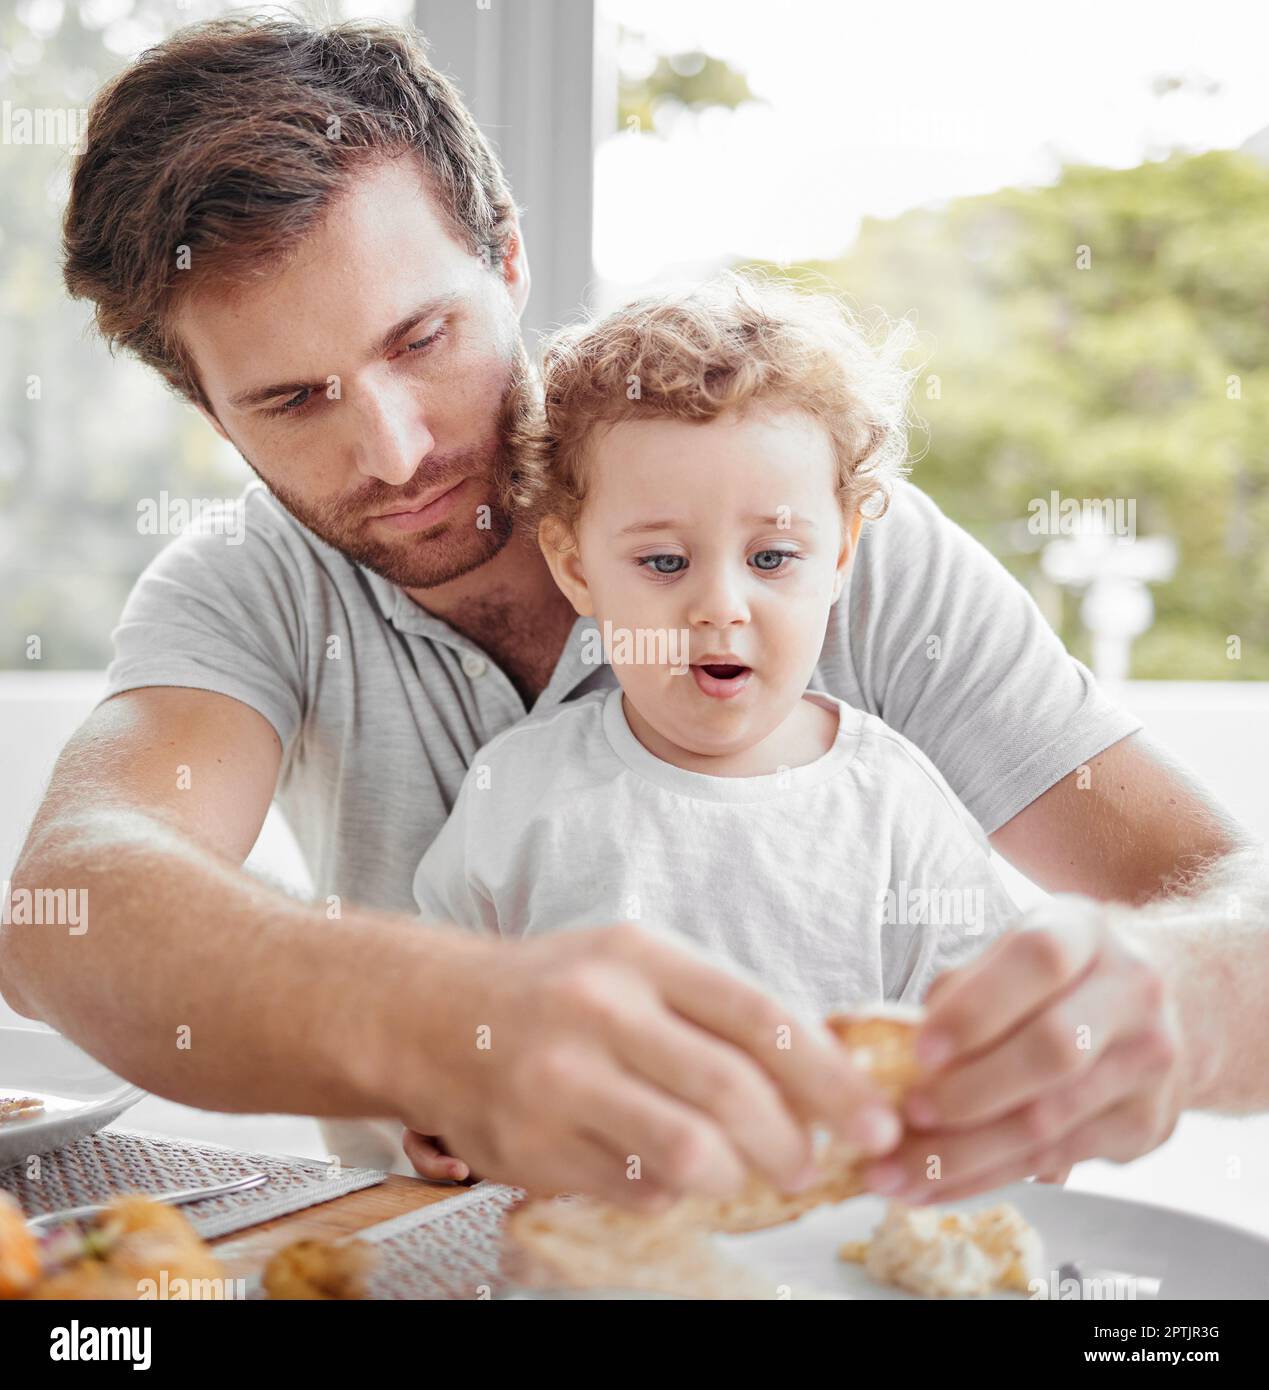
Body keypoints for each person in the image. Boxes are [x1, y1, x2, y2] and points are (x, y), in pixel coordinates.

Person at [3, 16, 1263, 1212]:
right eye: (292, 399)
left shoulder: (812, 539)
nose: (394, 450)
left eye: (423, 337)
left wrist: (1174, 1001)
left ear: (508, 256)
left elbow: (1228, 895)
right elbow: (69, 908)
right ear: (212, 413)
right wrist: (454, 1028)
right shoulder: (249, 587)